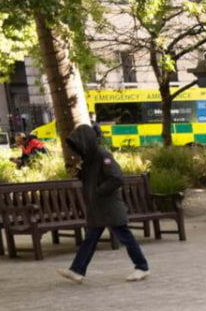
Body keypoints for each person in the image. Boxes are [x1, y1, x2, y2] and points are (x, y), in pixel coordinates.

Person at [59, 122, 152, 285]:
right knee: (90, 239)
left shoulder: (103, 156)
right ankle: (77, 270)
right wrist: (80, 174)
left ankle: (142, 267)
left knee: (125, 236)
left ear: (86, 142)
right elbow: (95, 178)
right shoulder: (89, 160)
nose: (77, 149)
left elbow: (117, 178)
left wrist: (98, 191)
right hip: (98, 207)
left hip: (110, 206)